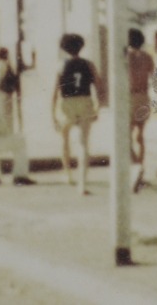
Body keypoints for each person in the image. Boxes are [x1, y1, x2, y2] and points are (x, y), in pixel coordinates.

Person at [52, 33, 102, 195]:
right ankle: (82, 183)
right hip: (85, 101)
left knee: (64, 140)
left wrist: (52, 114)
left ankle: (68, 174)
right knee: (83, 143)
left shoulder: (61, 65)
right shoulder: (89, 64)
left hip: (67, 103)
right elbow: (99, 87)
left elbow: (54, 92)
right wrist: (98, 107)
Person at [126, 28, 157, 191]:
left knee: (126, 136)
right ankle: (140, 168)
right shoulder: (147, 57)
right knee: (140, 135)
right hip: (144, 96)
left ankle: (136, 165)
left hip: (129, 97)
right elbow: (154, 76)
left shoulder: (126, 57)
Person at [0, 47, 19, 129]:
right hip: (9, 94)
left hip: (1, 94)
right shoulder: (9, 65)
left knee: (2, 116)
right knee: (9, 116)